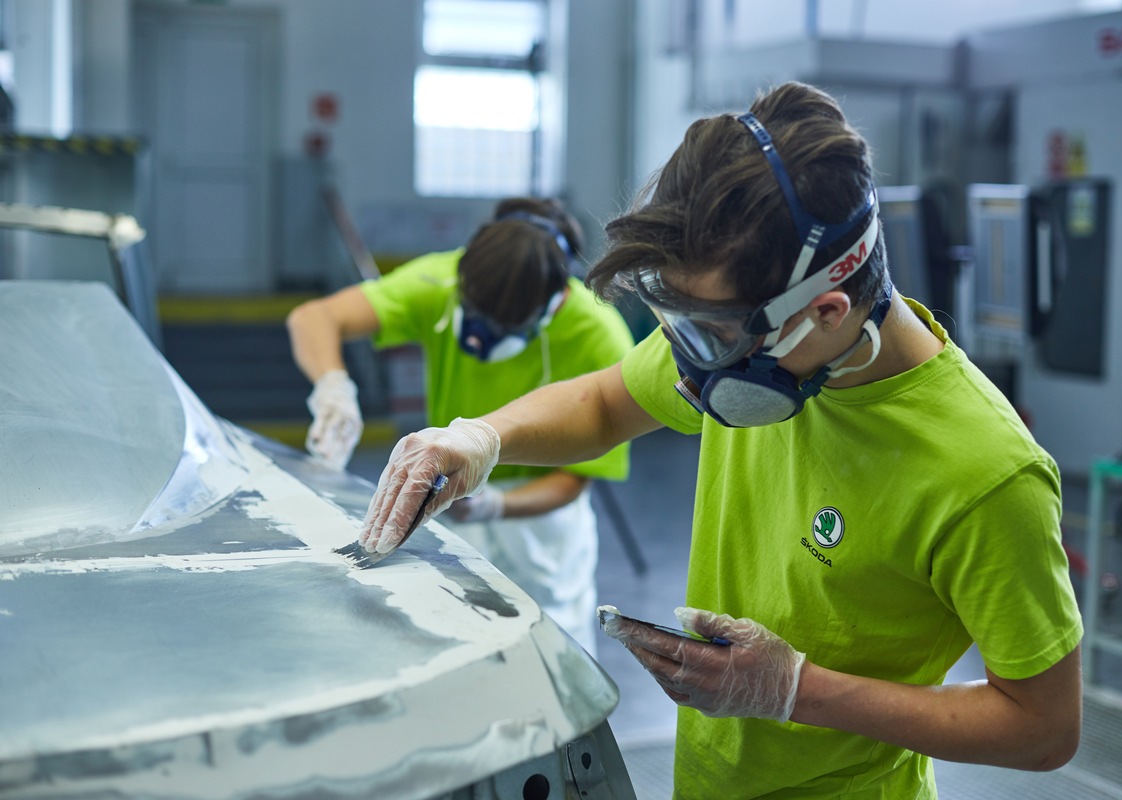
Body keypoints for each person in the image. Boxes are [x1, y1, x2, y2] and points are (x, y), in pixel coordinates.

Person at [355, 83, 1083, 798]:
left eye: (708, 332)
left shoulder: (986, 472)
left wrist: (796, 691)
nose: (688, 363)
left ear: (824, 310)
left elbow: (1044, 729)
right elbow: (609, 401)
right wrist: (480, 440)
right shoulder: (763, 346)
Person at [286, 197, 634, 654]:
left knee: (551, 650)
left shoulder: (597, 335)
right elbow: (313, 318)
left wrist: (495, 505)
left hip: (538, 526)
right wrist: (333, 389)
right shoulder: (440, 280)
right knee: (448, 642)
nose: (478, 337)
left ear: (552, 301)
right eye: (473, 313)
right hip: (449, 499)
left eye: (502, 325)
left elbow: (574, 479)